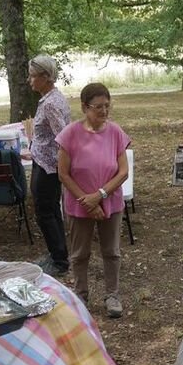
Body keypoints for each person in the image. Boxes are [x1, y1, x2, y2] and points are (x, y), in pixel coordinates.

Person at [57, 82, 131, 318]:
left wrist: (99, 196)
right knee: (79, 253)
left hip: (109, 201)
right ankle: (80, 294)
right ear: (84, 107)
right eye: (98, 106)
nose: (104, 111)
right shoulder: (70, 134)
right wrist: (87, 201)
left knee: (112, 251)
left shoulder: (116, 132)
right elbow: (63, 174)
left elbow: (123, 172)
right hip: (79, 204)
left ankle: (112, 295)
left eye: (107, 105)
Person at [28, 55, 71, 276]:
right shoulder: (51, 98)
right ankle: (57, 253)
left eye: (33, 76)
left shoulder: (51, 104)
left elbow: (63, 137)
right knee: (51, 210)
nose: (30, 80)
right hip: (44, 161)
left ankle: (59, 261)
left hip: (49, 167)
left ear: (46, 77)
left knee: (45, 212)